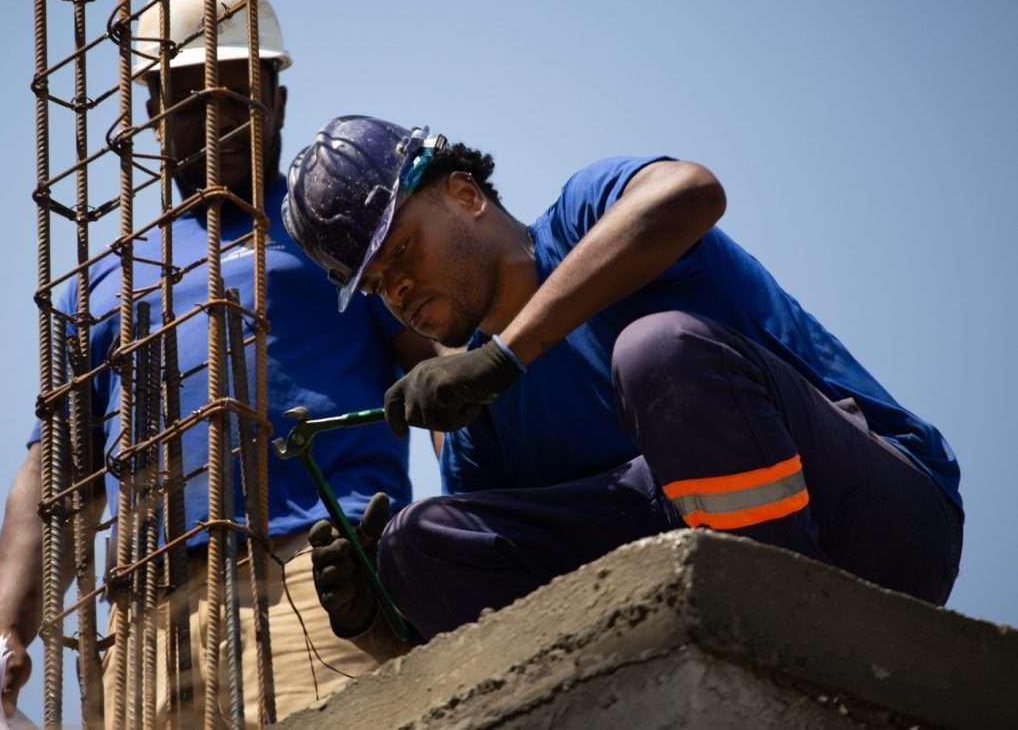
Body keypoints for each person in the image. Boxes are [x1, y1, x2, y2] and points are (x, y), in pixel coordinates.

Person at [283, 115, 964, 643]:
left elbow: (691, 191)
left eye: (401, 250)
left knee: (657, 351)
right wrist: (377, 612)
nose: (397, 288)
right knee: (418, 540)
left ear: (465, 195)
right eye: (376, 285)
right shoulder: (480, 423)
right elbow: (484, 601)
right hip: (685, 557)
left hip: (879, 520)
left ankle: (777, 622)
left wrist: (507, 353)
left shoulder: (586, 214)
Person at [0, 0, 434, 726]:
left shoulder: (340, 233)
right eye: (189, 98)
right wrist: (5, 634)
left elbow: (442, 369)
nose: (215, 117)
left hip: (321, 589)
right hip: (147, 622)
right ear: (155, 113)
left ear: (277, 100)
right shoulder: (103, 284)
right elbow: (55, 473)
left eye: (238, 92)